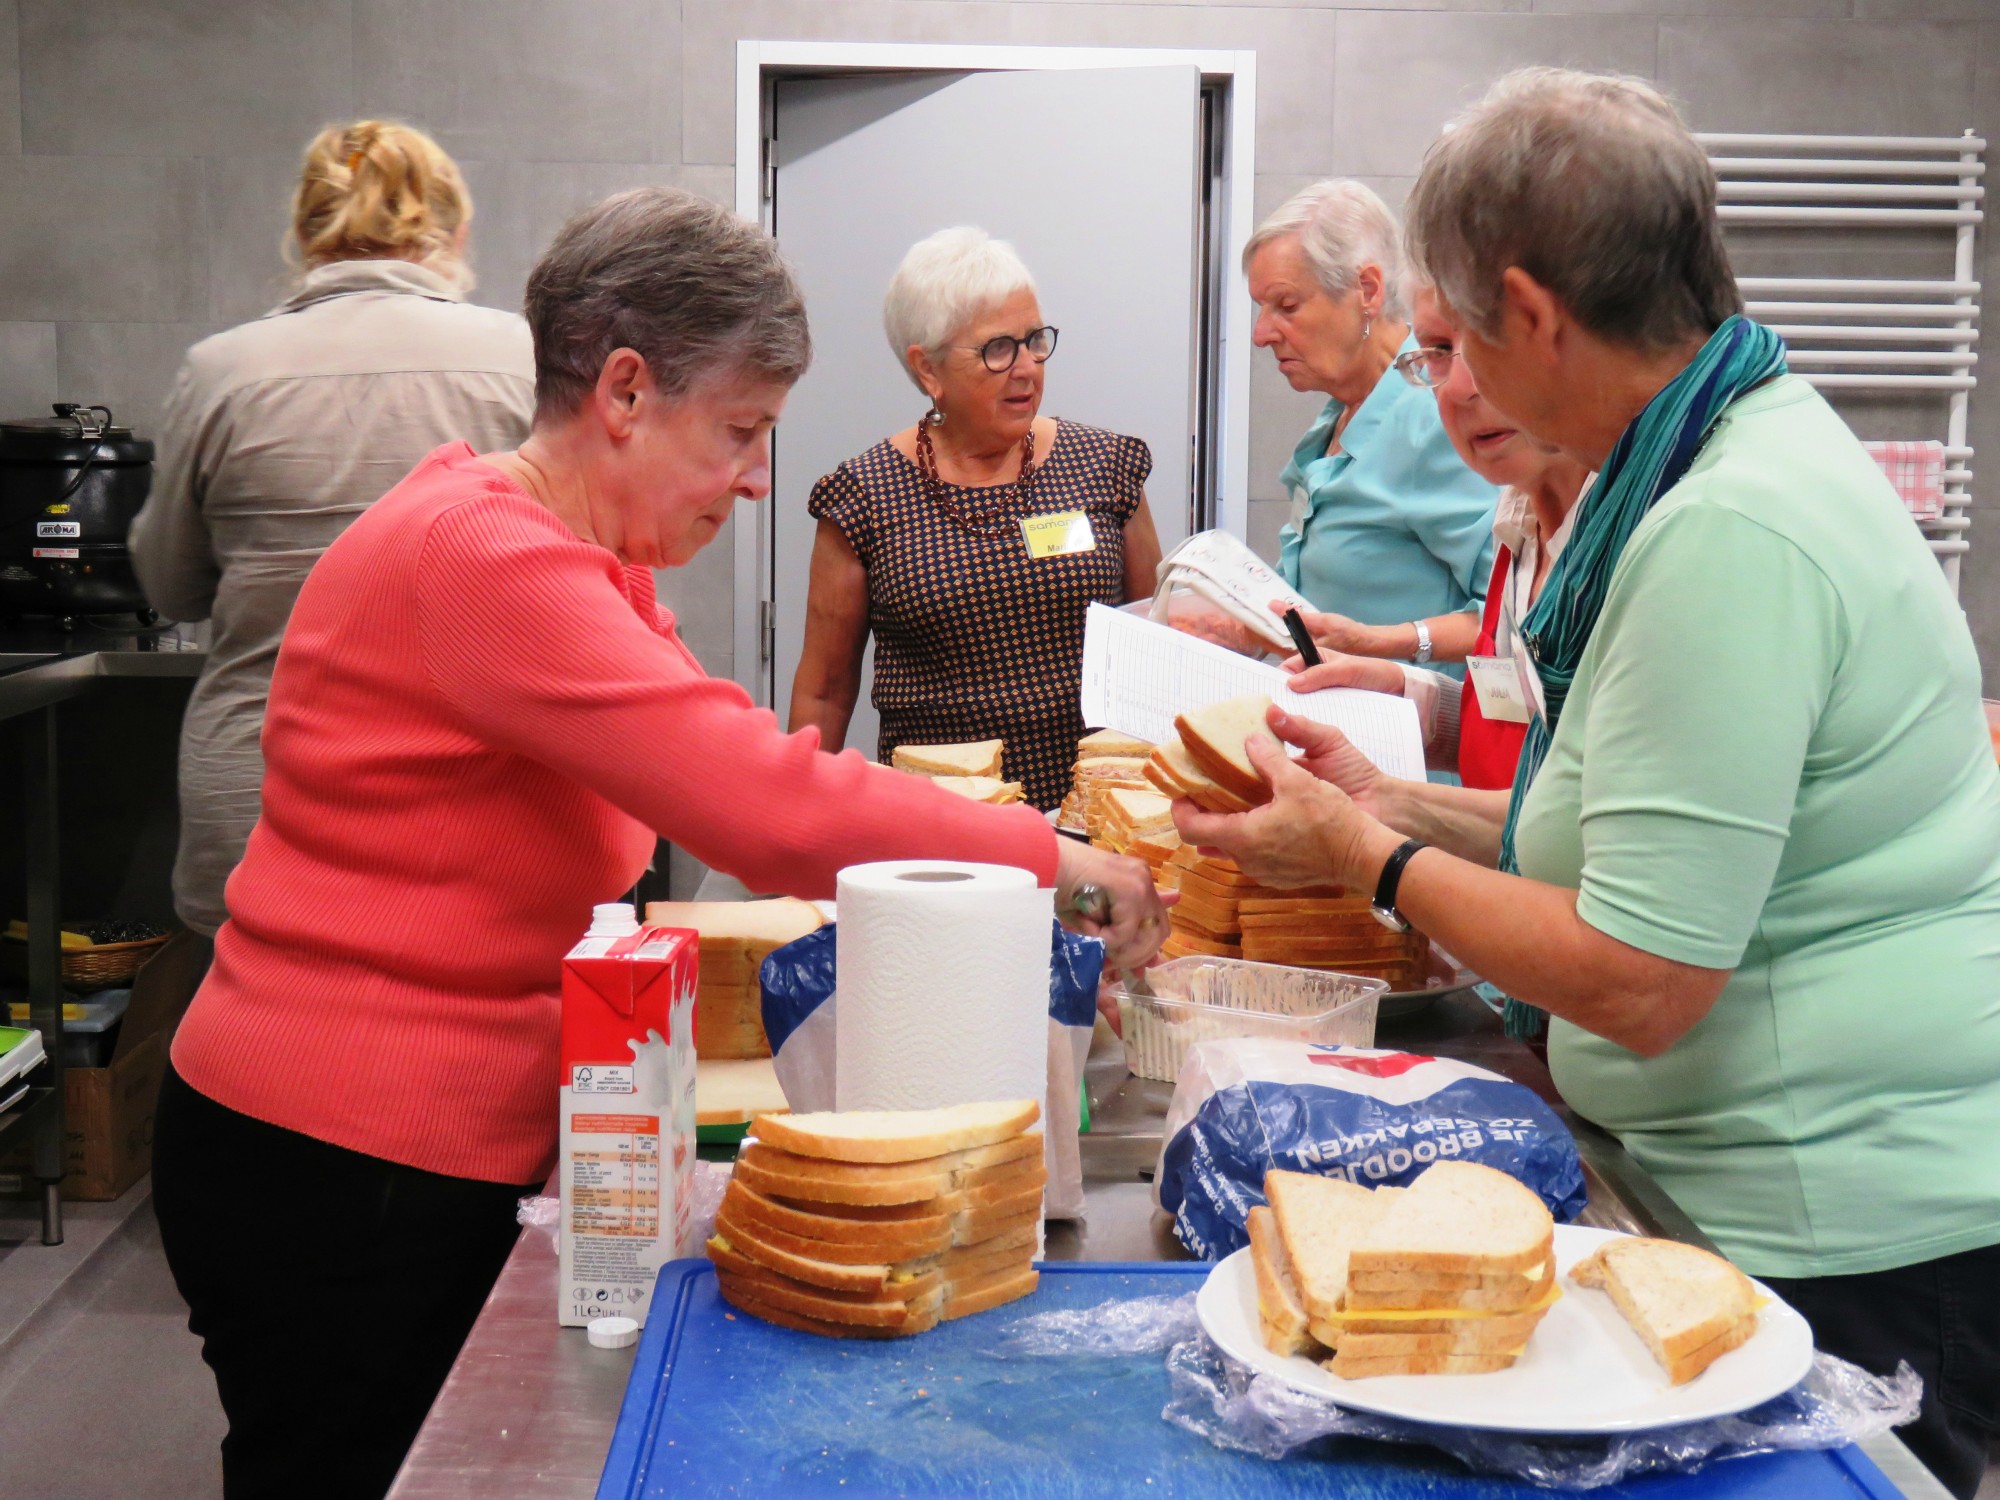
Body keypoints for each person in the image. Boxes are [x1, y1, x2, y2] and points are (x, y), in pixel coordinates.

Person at [150, 189, 1167, 1500]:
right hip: (341, 1162)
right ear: (624, 390)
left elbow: (735, 755)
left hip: (411, 1151)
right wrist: (1052, 857)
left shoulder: (584, 561)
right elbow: (764, 805)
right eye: (740, 431)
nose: (756, 479)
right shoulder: (488, 558)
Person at [1177, 69, 2000, 1499]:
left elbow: (1639, 970)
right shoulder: (1732, 452)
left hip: (1846, 1217)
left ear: (1533, 313)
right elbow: (1645, 838)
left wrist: (1364, 865)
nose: (1464, 385)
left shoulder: (1730, 529)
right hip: (1784, 1183)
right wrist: (1387, 801)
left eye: (1463, 340)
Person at [130, 120, 536, 948]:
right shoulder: (523, 358)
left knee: (256, 1057)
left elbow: (169, 587)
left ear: (306, 234)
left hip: (263, 792)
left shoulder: (223, 369)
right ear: (456, 233)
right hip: (467, 795)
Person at [788, 227, 1162, 810]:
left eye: (1035, 340)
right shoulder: (863, 497)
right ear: (927, 369)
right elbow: (826, 693)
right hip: (940, 831)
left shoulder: (1104, 467)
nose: (1027, 367)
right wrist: (800, 820)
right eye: (997, 349)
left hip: (1094, 817)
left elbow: (1158, 645)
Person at [1282, 281, 1592, 788]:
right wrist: (1397, 690)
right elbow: (1521, 723)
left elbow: (1563, 829)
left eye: (1490, 342)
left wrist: (1369, 842)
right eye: (1440, 353)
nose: (1457, 386)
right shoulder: (1518, 514)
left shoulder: (1645, 535)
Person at [1246, 181, 1497, 669]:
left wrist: (1387, 644)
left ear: (1367, 291)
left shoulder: (1434, 415)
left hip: (1409, 733)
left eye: (1286, 305)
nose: (1261, 334)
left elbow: (1508, 612)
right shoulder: (1338, 418)